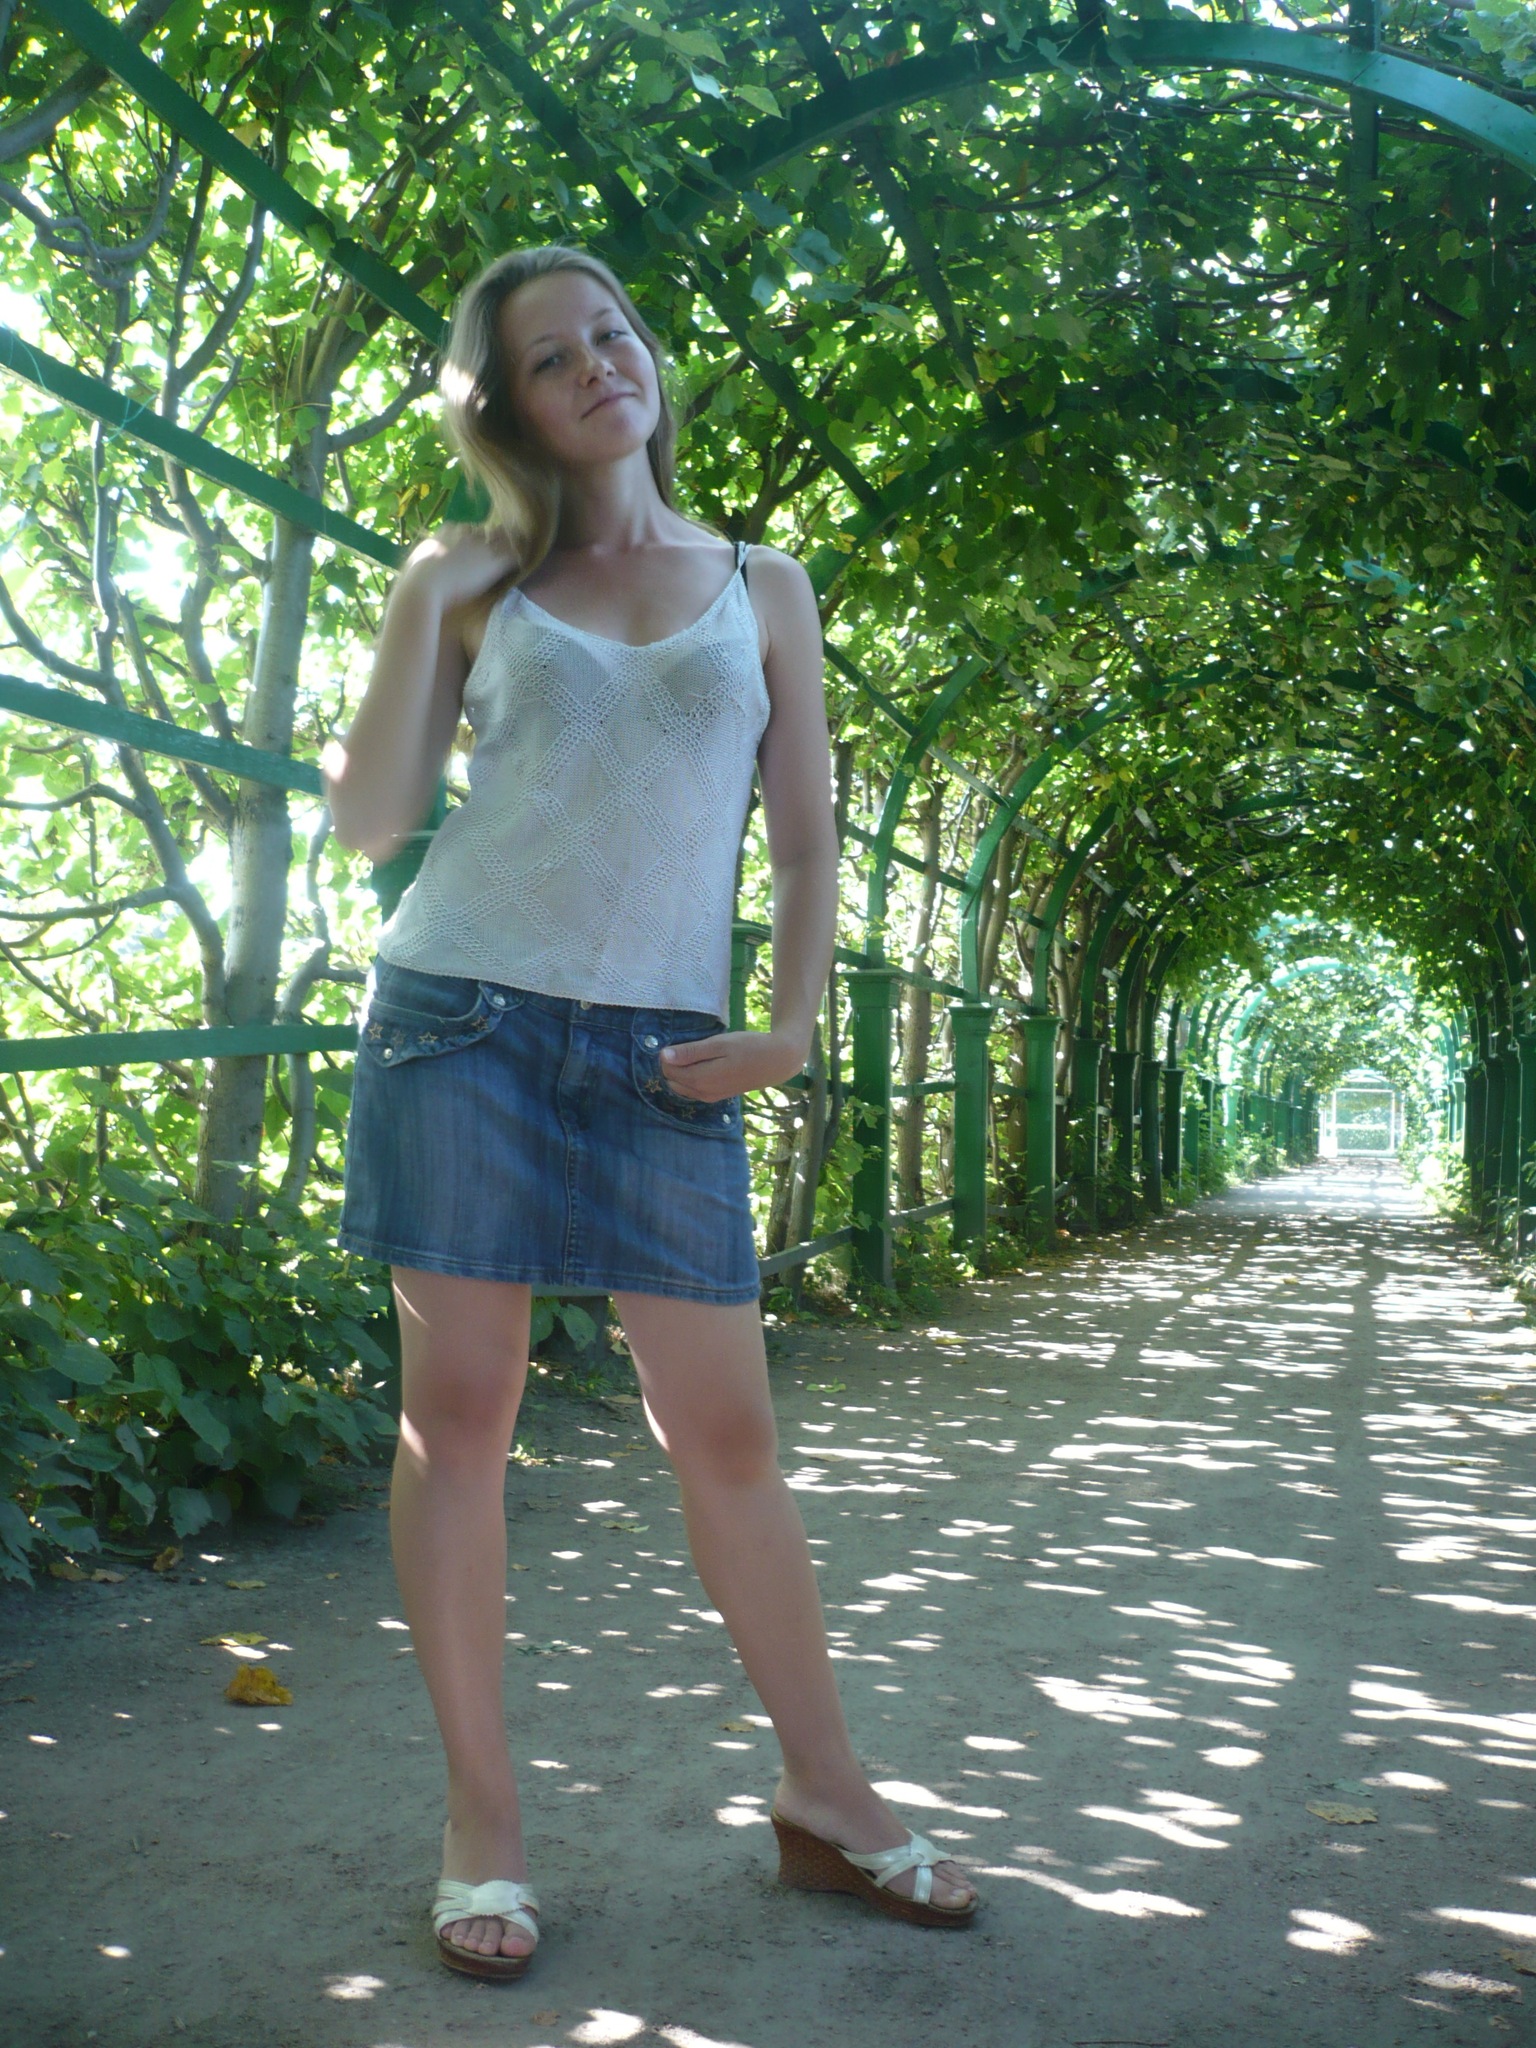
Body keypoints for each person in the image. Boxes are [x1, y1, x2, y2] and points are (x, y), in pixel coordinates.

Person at [321, 243, 979, 1981]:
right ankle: (483, 1825)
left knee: (729, 1436)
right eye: (551, 357)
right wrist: (423, 601)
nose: (597, 364)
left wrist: (791, 1025)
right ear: (507, 406)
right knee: (461, 1418)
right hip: (459, 1020)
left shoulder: (766, 584)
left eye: (611, 333)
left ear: (648, 358)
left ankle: (827, 1792)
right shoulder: (472, 580)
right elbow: (373, 821)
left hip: (669, 1055)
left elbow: (807, 832)